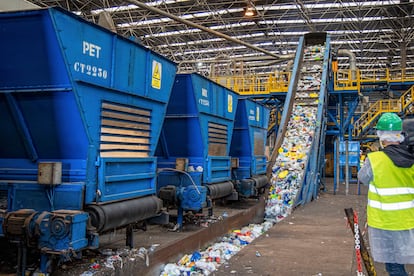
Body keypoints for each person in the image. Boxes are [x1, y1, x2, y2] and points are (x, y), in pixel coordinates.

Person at [358, 112, 414, 276]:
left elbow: (363, 177)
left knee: (394, 267)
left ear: (381, 135)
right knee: (399, 265)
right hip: (408, 221)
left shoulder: (376, 160)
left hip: (386, 223)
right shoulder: (411, 159)